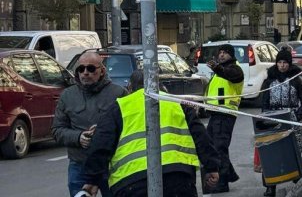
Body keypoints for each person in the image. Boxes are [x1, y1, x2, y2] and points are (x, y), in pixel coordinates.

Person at [81, 71, 220, 197]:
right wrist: (211, 167)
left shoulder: (119, 107)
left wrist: (91, 180)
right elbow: (201, 136)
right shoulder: (177, 104)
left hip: (131, 182)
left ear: (130, 87)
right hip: (177, 177)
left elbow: (101, 145)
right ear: (160, 85)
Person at [53, 52, 126, 197]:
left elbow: (130, 127)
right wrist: (78, 137)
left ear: (102, 71)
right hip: (80, 165)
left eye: (91, 69)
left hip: (112, 165)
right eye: (81, 69)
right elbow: (57, 130)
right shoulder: (68, 95)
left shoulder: (118, 93)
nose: (85, 73)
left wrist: (104, 133)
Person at [259, 49, 302, 197]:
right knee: (270, 154)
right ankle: (270, 187)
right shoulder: (269, 80)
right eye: (279, 62)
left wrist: (297, 116)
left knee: (294, 153)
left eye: (285, 63)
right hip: (273, 120)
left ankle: (299, 182)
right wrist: (267, 118)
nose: (282, 65)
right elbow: (264, 102)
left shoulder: (296, 79)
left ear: (289, 64)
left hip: (292, 121)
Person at [204, 45, 245, 193]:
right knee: (211, 146)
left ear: (231, 55)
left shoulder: (234, 68)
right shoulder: (220, 70)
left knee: (219, 148)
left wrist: (217, 68)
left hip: (225, 113)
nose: (221, 55)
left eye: (225, 53)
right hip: (216, 113)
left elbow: (230, 75)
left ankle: (222, 182)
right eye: (220, 53)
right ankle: (228, 174)